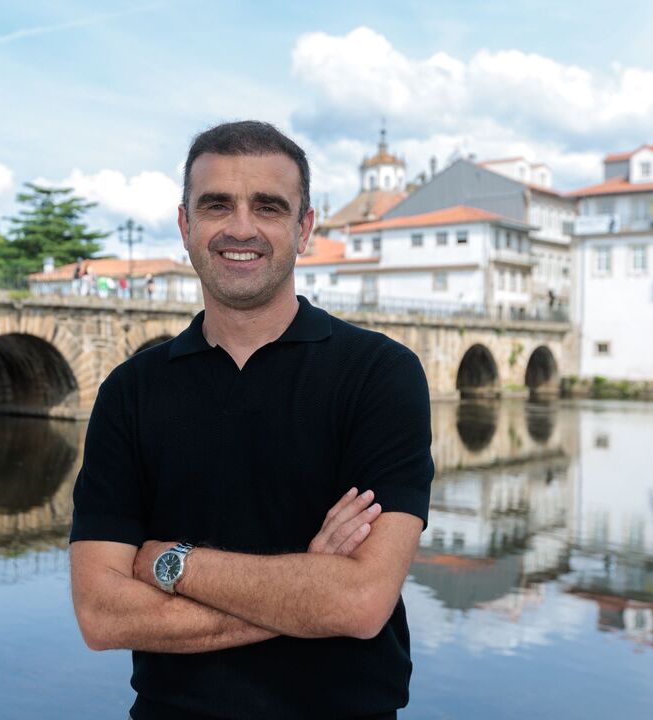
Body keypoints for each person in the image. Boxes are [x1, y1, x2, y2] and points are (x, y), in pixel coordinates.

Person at [70, 121, 433, 720]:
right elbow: (102, 616)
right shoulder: (130, 392)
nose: (241, 227)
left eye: (268, 206)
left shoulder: (380, 375)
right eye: (217, 206)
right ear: (186, 226)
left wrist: (171, 561)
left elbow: (363, 603)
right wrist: (308, 590)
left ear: (304, 228)